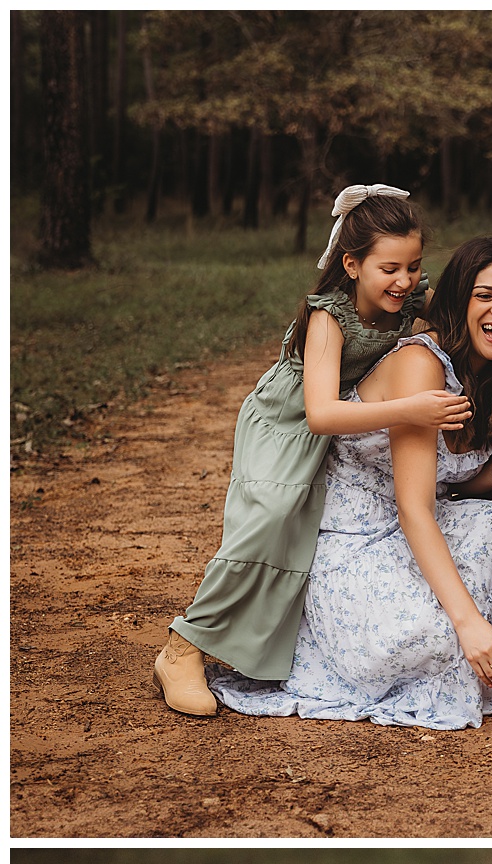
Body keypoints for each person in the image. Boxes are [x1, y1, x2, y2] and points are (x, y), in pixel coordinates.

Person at [207, 238, 492, 729]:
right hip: (354, 547)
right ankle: (463, 646)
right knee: (432, 637)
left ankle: (483, 654)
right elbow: (415, 509)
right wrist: (468, 625)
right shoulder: (421, 366)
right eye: (484, 295)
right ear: (460, 299)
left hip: (407, 535)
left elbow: (466, 477)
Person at [154, 184, 471, 716]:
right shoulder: (329, 315)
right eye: (389, 268)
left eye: (414, 266)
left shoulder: (410, 300)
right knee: (271, 518)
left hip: (340, 421)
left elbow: (462, 317)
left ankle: (263, 646)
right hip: (286, 420)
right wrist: (412, 408)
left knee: (306, 533)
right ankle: (182, 648)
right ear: (351, 264)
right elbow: (320, 412)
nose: (405, 281)